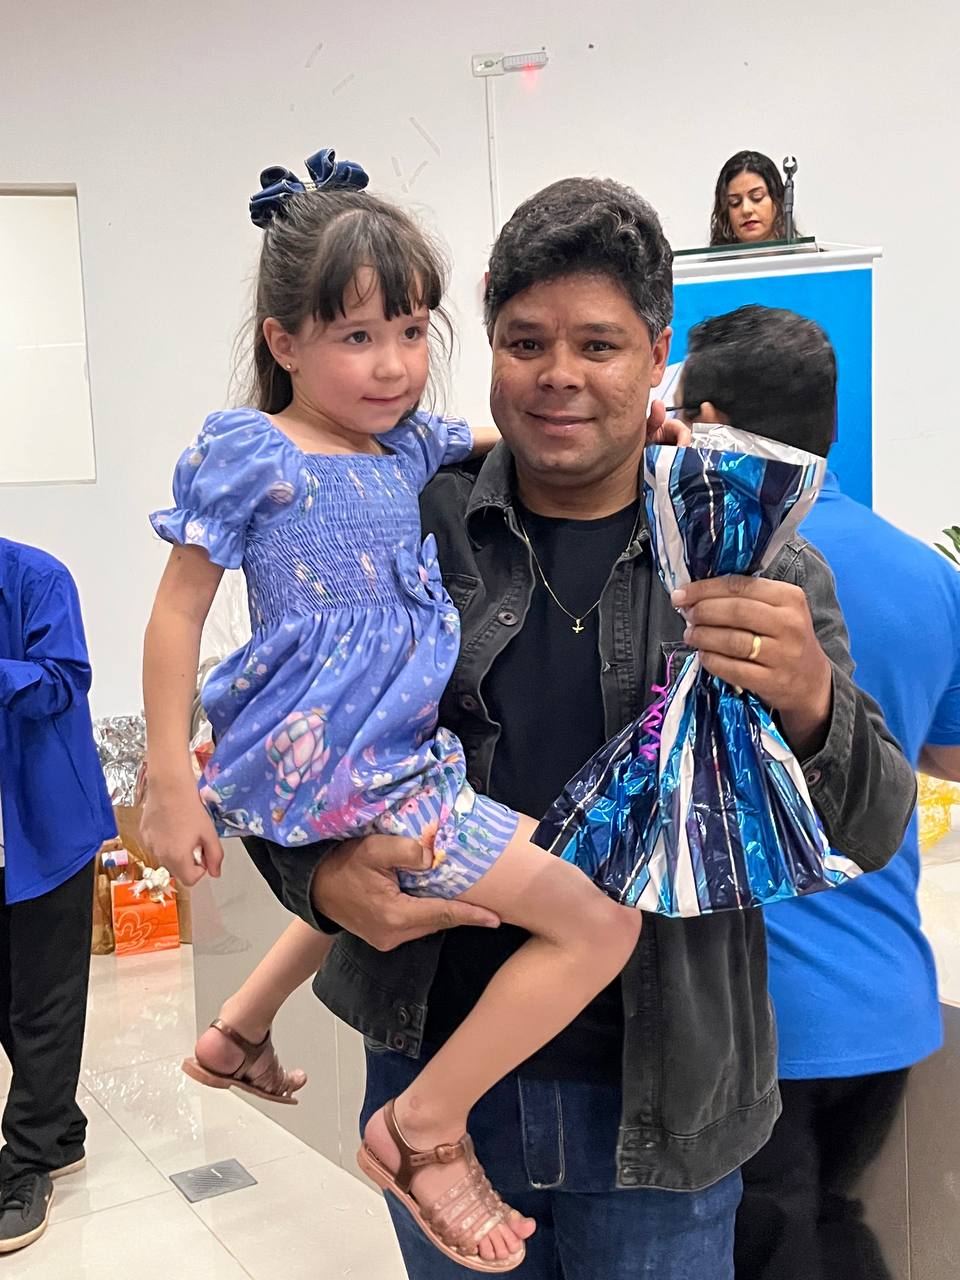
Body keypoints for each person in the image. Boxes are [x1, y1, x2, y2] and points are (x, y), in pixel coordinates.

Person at [254, 177, 916, 1279]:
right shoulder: (412, 526)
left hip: (665, 1112)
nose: (559, 373)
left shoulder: (750, 558)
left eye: (599, 344)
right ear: (491, 345)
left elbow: (876, 822)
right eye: (527, 341)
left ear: (656, 354)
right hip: (435, 1084)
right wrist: (318, 878)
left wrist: (810, 696)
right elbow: (281, 742)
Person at [141, 154, 679, 1273]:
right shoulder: (253, 452)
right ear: (284, 342)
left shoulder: (406, 447)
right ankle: (424, 1125)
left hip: (381, 759)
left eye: (411, 330)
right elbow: (176, 612)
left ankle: (239, 1029)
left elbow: (494, 439)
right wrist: (169, 777)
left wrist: (656, 433)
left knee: (403, 886)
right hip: (346, 762)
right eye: (356, 336)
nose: (392, 364)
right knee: (601, 921)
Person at [676, 304, 960, 1280]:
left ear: (708, 421)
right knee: (828, 1226)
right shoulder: (927, 573)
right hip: (887, 999)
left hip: (758, 1013)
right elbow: (947, 756)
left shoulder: (715, 572)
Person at [0, 538, 116, 1254]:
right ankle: (61, 1130)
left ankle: (27, 1165)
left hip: (46, 827)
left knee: (43, 1003)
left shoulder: (37, 578)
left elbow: (65, 680)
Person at [710, 151, 791, 246]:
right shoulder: (716, 257)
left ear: (778, 200)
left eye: (757, 197)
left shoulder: (803, 255)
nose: (746, 210)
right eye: (735, 202)